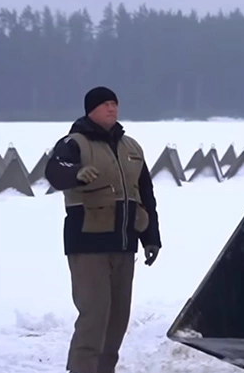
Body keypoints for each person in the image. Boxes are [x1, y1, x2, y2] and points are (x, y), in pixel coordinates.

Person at [44, 86, 162, 373]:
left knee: (117, 319)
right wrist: (76, 174)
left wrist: (151, 237)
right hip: (88, 245)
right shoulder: (74, 143)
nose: (112, 108)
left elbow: (145, 193)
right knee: (94, 317)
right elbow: (54, 173)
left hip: (124, 244)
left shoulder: (131, 147)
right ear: (90, 110)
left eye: (115, 103)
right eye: (105, 104)